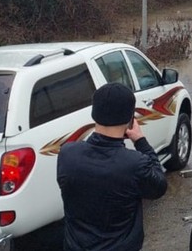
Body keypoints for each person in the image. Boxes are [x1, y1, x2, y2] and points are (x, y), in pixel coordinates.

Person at [56, 82, 168, 251]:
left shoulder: (67, 154)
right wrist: (141, 141)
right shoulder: (135, 164)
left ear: (94, 114)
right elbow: (159, 187)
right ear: (130, 119)